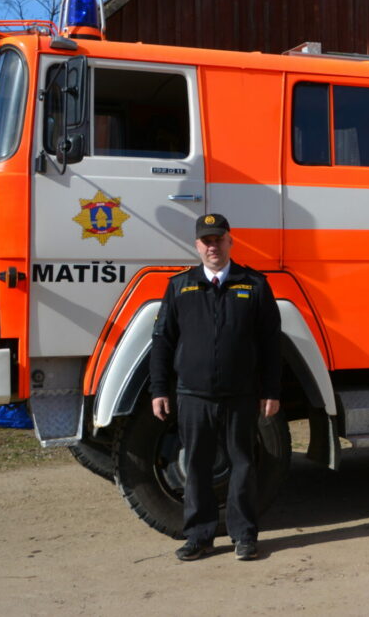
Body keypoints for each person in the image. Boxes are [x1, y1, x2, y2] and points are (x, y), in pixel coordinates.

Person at [149, 213, 281, 561]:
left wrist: (271, 390)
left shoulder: (253, 284)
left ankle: (244, 536)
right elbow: (162, 341)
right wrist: (159, 389)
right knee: (197, 466)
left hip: (241, 394)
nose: (213, 246)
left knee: (243, 465)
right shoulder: (180, 286)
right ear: (197, 246)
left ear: (230, 242)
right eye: (206, 241)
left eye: (218, 239)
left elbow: (271, 344)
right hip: (193, 395)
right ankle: (199, 536)